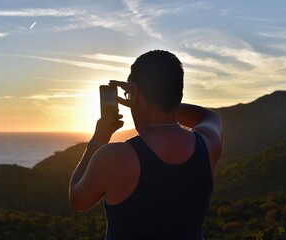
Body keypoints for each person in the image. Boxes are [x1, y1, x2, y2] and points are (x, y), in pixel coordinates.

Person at [69, 50, 223, 239]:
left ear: (135, 93)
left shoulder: (114, 157)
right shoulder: (208, 143)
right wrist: (158, 101)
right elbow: (210, 116)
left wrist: (98, 139)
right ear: (179, 94)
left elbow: (77, 200)